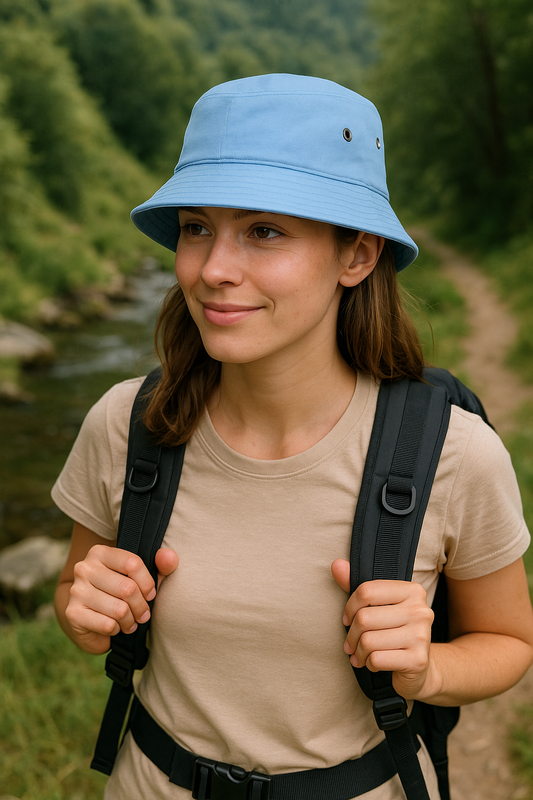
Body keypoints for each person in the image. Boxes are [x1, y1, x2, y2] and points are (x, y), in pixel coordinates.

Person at [53, 74, 533, 800]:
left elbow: (509, 644)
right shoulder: (127, 425)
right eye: (196, 227)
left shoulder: (453, 454)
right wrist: (84, 615)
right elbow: (75, 593)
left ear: (356, 256)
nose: (213, 269)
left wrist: (425, 669)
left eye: (264, 231)